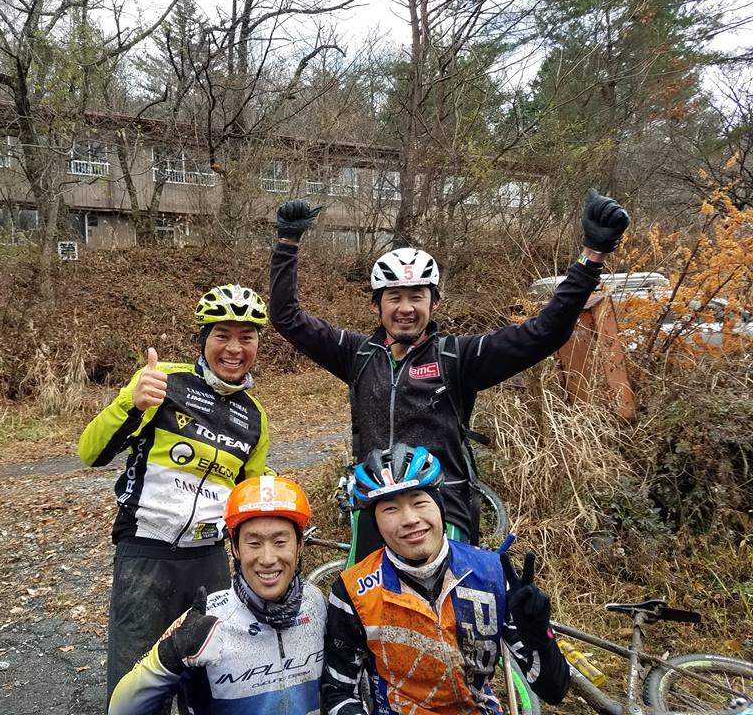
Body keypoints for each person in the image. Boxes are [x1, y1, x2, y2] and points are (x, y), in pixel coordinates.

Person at [269, 190, 630, 550]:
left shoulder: (457, 357)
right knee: (364, 589)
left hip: (443, 511)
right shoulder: (357, 355)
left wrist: (591, 258)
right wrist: (287, 243)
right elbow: (288, 318)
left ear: (435, 303)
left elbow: (543, 333)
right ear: (376, 306)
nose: (406, 308)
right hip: (377, 510)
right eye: (394, 297)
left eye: (417, 296)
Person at [78, 284, 273, 708]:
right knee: (137, 690)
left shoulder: (255, 416)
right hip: (145, 553)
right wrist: (131, 404)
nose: (234, 348)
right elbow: (90, 452)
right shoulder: (163, 380)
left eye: (247, 337)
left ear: (258, 345)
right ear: (203, 339)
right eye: (222, 335)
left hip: (209, 561)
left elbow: (248, 496)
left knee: (212, 687)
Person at [322, 444, 570, 714]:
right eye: (390, 509)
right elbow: (339, 692)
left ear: (440, 507)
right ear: (376, 525)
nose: (409, 519)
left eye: (419, 502)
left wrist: (539, 636)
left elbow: (554, 690)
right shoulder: (353, 590)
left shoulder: (492, 573)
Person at [107, 475, 326, 714]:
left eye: (280, 541)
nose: (267, 559)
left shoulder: (316, 604)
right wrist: (169, 656)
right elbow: (120, 710)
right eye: (253, 543)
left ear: (300, 545)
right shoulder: (206, 620)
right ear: (235, 548)